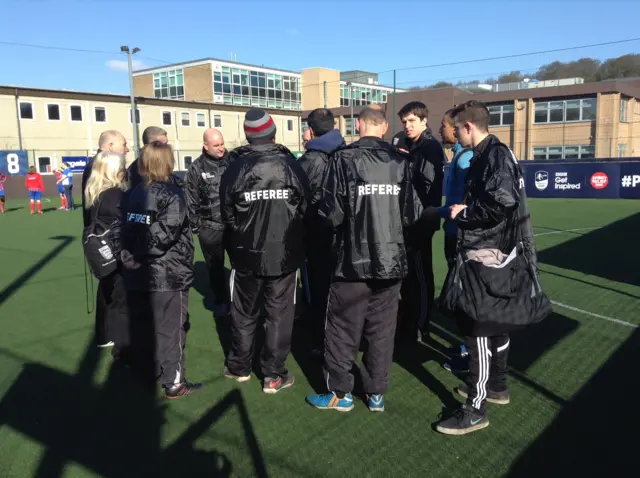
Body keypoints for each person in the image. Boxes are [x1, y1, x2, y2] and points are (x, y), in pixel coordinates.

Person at [436, 100, 547, 435]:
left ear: (469, 126)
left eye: (456, 127)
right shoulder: (492, 154)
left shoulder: (493, 155)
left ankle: (476, 407)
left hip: (488, 253)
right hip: (495, 251)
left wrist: (463, 213)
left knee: (479, 328)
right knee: (495, 324)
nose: (454, 133)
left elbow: (501, 201)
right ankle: (496, 386)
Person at [306, 107, 422, 412]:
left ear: (358, 125)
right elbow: (412, 213)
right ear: (383, 127)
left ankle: (341, 394)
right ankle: (375, 394)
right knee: (381, 331)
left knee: (342, 329)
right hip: (390, 260)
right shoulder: (400, 160)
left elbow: (331, 214)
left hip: (351, 262)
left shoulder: (343, 159)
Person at [220, 108, 309, 394]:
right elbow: (304, 208)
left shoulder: (235, 167)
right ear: (272, 133)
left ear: (248, 136)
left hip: (247, 253)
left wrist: (243, 235)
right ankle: (272, 375)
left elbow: (227, 214)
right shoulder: (290, 165)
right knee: (279, 315)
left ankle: (240, 367)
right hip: (282, 254)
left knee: (245, 313)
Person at [115, 141, 202, 399]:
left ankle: (148, 373)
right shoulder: (171, 195)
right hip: (166, 273)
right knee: (170, 328)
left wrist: (128, 255)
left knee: (144, 326)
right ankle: (173, 382)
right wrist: (133, 254)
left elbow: (125, 232)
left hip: (139, 271)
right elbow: (162, 236)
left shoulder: (132, 194)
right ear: (168, 162)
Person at [427, 109, 474, 373]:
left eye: (444, 125)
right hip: (453, 231)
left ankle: (472, 356)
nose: (442, 130)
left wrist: (438, 211)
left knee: (463, 296)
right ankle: (467, 347)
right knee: (460, 295)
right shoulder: (457, 155)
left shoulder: (465, 158)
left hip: (460, 234)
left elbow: (467, 199)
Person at [297, 108, 345, 357]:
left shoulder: (310, 160)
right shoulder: (347, 152)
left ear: (311, 130)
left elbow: (297, 200)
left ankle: (321, 340)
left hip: (316, 236)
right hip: (343, 237)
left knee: (318, 291)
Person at [396, 101, 446, 340]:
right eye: (404, 122)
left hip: (420, 222)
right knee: (408, 276)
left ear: (424, 121)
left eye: (412, 121)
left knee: (421, 274)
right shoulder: (411, 146)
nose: (407, 126)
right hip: (407, 222)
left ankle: (421, 324)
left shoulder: (430, 148)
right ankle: (409, 319)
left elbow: (426, 189)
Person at [84, 151, 130, 351]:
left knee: (109, 294)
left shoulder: (95, 192)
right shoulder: (117, 195)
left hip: (104, 253)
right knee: (122, 300)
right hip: (117, 252)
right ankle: (123, 346)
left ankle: (107, 335)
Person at [184, 128, 231, 317]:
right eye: (216, 145)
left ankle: (241, 302)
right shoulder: (196, 168)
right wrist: (196, 226)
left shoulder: (233, 161)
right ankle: (221, 300)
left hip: (235, 225)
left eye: (222, 144)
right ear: (205, 146)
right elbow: (191, 200)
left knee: (242, 266)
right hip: (210, 227)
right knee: (215, 268)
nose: (221, 149)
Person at [83, 130, 129, 227]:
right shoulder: (96, 166)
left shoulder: (95, 165)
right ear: (110, 146)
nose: (127, 149)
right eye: (123, 145)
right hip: (105, 233)